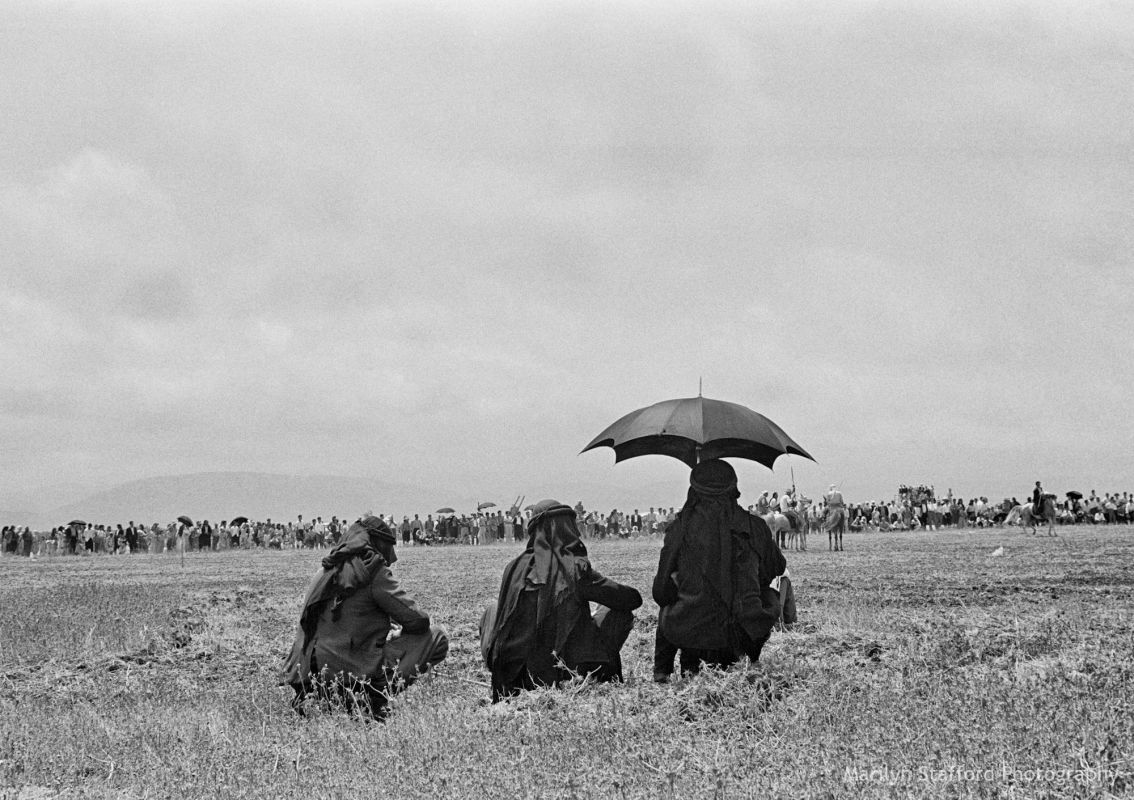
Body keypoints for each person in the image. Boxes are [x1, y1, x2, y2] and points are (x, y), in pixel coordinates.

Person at [280, 515, 449, 718]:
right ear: (377, 543)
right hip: (348, 675)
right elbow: (418, 621)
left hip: (306, 673)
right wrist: (396, 631)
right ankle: (373, 699)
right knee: (436, 636)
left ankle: (322, 699)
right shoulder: (372, 570)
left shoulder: (325, 570)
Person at [479, 500, 642, 702]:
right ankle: (599, 673)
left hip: (516, 676)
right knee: (615, 609)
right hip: (566, 671)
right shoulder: (574, 567)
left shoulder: (513, 568)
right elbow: (632, 599)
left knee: (493, 610)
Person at [652, 459, 787, 682]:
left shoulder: (680, 528)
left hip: (691, 634)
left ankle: (662, 672)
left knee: (670, 601)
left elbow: (660, 592)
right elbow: (777, 567)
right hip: (745, 633)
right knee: (769, 592)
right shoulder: (756, 526)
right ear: (734, 487)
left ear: (693, 489)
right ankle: (750, 660)